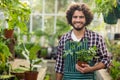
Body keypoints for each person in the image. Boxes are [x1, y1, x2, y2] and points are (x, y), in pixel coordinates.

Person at [55, 2, 111, 80]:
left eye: (81, 17)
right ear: (70, 19)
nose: (78, 20)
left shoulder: (96, 38)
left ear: (86, 19)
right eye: (75, 17)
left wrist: (91, 68)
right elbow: (59, 67)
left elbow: (106, 59)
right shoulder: (64, 39)